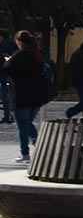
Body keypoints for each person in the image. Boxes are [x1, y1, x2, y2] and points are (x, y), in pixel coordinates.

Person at [2, 31, 48, 164]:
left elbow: (6, 70)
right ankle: (35, 147)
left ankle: (30, 150)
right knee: (26, 123)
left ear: (19, 42)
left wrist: (7, 60)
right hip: (36, 96)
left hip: (21, 95)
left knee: (23, 125)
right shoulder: (37, 55)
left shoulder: (19, 56)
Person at [66, 40, 83, 119]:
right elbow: (76, 70)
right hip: (82, 82)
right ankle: (71, 112)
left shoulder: (82, 54)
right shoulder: (79, 55)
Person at [0, 30, 15, 124]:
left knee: (5, 96)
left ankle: (8, 116)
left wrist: (6, 57)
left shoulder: (8, 45)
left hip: (5, 74)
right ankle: (7, 116)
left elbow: (12, 57)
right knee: (4, 96)